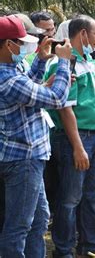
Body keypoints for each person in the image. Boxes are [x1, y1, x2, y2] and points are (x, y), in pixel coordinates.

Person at [0, 15, 71, 257]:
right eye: (21, 42)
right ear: (8, 45)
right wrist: (63, 63)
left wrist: (40, 61)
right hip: (23, 159)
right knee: (18, 227)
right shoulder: (6, 78)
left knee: (39, 220)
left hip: (29, 158)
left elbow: (29, 86)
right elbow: (57, 99)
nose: (25, 47)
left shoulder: (10, 68)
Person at [44, 15, 95, 258]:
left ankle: (90, 246)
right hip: (76, 139)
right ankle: (64, 250)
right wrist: (78, 147)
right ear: (83, 34)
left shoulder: (90, 64)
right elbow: (65, 107)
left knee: (91, 196)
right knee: (70, 198)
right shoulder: (64, 64)